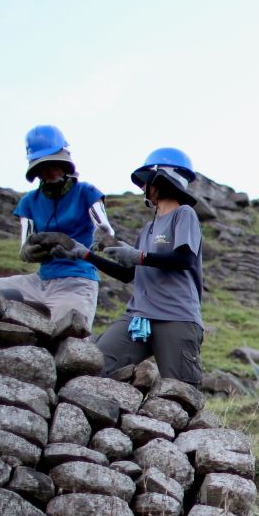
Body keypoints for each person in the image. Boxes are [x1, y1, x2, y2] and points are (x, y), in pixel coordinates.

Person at [0, 125, 113, 336]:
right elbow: (25, 248)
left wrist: (102, 236)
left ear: (65, 163)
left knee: (68, 337)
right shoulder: (29, 202)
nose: (51, 171)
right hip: (39, 281)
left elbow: (104, 227)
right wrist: (35, 250)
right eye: (44, 166)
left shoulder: (86, 192)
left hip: (77, 282)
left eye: (55, 164)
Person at [88, 147, 207, 385]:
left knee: (181, 392)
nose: (143, 188)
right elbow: (127, 274)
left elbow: (184, 259)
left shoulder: (184, 214)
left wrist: (139, 256)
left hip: (177, 317)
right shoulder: (147, 229)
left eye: (146, 182)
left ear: (161, 178)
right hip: (139, 317)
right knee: (93, 365)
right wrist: (86, 256)